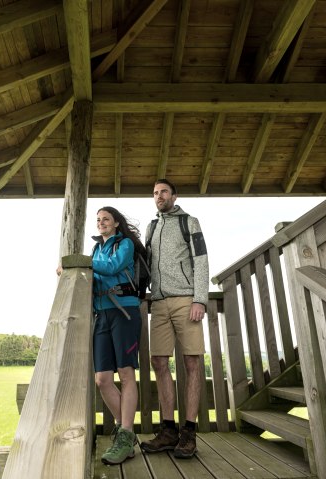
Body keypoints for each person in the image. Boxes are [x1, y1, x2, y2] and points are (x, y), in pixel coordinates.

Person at [68, 206, 144, 465]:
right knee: (102, 379)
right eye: (98, 220)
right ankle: (126, 432)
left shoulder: (124, 244)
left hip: (125, 312)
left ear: (115, 223)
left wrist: (82, 261)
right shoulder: (96, 250)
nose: (101, 223)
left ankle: (124, 435)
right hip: (101, 315)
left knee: (125, 373)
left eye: (106, 219)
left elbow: (112, 268)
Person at [140, 179, 209, 459]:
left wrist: (199, 299)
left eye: (163, 192)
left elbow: (201, 259)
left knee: (192, 361)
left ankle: (189, 434)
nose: (159, 196)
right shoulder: (151, 227)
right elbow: (144, 263)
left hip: (185, 300)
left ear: (174, 195)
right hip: (158, 302)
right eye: (155, 193)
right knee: (158, 361)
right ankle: (168, 431)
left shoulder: (189, 222)